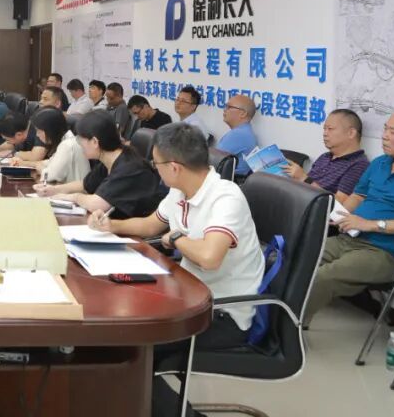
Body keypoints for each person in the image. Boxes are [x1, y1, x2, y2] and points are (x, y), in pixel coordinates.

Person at [89, 122, 264, 400]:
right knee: (118, 336)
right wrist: (111, 225)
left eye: (155, 163)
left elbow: (209, 258)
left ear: (174, 167)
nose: (154, 168)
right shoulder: (180, 190)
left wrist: (176, 237)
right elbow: (150, 225)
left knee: (130, 351)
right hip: (187, 295)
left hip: (221, 313)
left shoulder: (226, 198)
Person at [302, 110, 394, 327]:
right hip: (349, 238)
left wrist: (372, 225)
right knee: (294, 258)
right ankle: (268, 317)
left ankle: (286, 329)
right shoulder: (380, 164)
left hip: (385, 252)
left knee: (323, 277)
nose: (384, 136)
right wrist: (339, 216)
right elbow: (358, 196)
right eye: (385, 129)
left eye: (393, 132)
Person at [36, 111, 166, 217]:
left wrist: (71, 197)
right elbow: (85, 184)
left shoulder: (128, 167)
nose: (79, 144)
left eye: (80, 139)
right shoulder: (110, 159)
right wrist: (54, 190)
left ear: (94, 142)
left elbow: (97, 204)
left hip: (135, 232)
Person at [284, 109, 369, 205]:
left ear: (351, 133)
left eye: (330, 129)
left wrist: (304, 178)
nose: (325, 133)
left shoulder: (359, 165)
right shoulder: (325, 157)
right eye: (324, 129)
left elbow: (339, 203)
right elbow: (305, 184)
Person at [24, 108, 89, 185]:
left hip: (71, 191)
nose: (37, 135)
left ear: (50, 130)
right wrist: (24, 163)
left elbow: (50, 176)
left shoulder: (67, 145)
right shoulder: (66, 141)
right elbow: (51, 162)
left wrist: (40, 168)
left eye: (39, 131)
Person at [216, 95, 258, 176]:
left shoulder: (239, 135)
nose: (224, 110)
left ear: (243, 113)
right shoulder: (244, 132)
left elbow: (213, 162)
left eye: (229, 107)